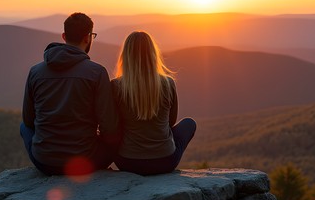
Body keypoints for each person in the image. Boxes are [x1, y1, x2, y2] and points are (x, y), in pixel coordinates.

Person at [20, 12, 121, 176]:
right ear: (88, 38)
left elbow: (28, 120)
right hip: (85, 161)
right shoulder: (97, 72)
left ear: (64, 36)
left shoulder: (35, 72)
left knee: (23, 127)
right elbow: (109, 127)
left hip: (44, 162)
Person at [111, 31, 196, 175]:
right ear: (153, 54)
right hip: (165, 161)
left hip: (127, 162)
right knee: (189, 123)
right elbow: (170, 122)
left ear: (126, 55)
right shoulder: (168, 83)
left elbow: (113, 124)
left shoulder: (116, 86)